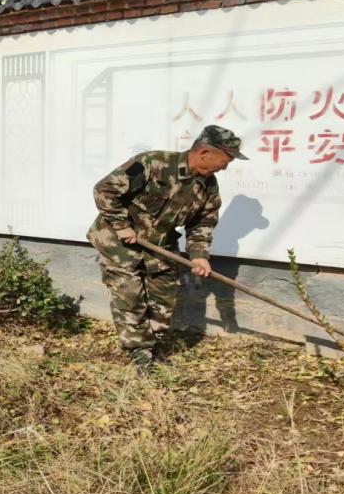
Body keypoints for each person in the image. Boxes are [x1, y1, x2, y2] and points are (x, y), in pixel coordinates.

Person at [87, 124, 246, 370]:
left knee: (163, 300)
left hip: (161, 246)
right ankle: (139, 353)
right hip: (119, 244)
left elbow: (202, 223)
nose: (226, 167)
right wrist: (121, 225)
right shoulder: (153, 163)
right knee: (130, 297)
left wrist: (200, 255)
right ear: (204, 153)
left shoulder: (208, 186)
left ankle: (153, 345)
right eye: (225, 160)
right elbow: (105, 190)